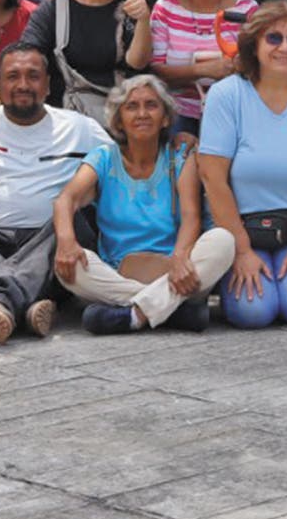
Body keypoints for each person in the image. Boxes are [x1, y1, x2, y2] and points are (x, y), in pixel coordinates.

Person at [0, 44, 110, 344]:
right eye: (13, 76)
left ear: (48, 84)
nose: (23, 85)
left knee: (77, 219)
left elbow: (122, 172)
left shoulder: (81, 128)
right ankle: (28, 305)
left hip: (51, 244)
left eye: (33, 76)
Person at [198, 2, 287, 329]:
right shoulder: (225, 94)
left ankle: (286, 276)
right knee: (253, 313)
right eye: (274, 38)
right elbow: (212, 178)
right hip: (240, 226)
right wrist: (241, 252)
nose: (285, 48)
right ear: (254, 45)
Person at [52, 74, 235, 333]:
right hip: (118, 276)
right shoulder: (103, 157)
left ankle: (134, 314)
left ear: (166, 118)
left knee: (223, 240)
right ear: (118, 120)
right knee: (70, 267)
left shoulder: (180, 157)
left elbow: (191, 216)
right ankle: (172, 310)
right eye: (131, 106)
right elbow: (65, 200)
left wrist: (180, 258)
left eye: (151, 105)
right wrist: (66, 242)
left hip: (178, 273)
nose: (142, 114)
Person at [25, 0, 157, 121]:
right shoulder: (53, 10)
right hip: (62, 119)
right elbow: (28, 54)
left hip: (116, 119)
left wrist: (143, 20)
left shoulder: (129, 8)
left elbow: (137, 63)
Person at [148, 0, 257, 131]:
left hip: (236, 111)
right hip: (176, 113)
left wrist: (240, 66)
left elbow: (261, 64)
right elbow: (156, 71)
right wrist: (201, 70)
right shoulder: (165, 9)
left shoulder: (247, 9)